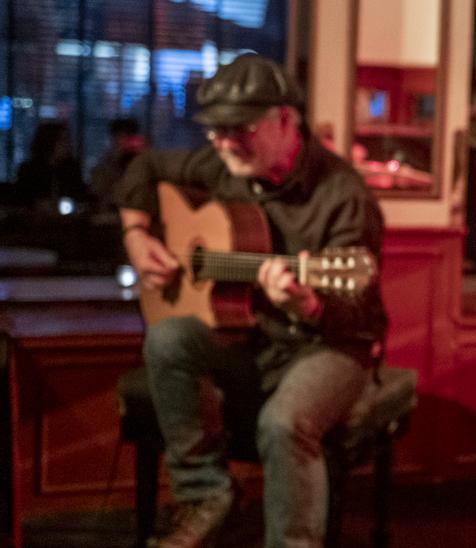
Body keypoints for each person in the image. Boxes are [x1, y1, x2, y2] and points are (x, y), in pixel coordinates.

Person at [114, 54, 386, 548]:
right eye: (214, 131)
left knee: (283, 422)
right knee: (169, 336)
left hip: (331, 345)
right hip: (251, 336)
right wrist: (135, 235)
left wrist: (307, 303)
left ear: (286, 119)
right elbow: (144, 165)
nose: (220, 142)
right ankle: (206, 493)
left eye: (237, 129)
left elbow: (360, 315)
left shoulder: (345, 194)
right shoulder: (225, 165)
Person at [13, 120, 85, 208]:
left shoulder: (72, 169)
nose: (68, 144)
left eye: (68, 140)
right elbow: (21, 200)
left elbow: (80, 197)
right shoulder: (29, 170)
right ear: (49, 142)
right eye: (63, 140)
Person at [90, 117, 146, 212]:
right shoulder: (105, 166)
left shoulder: (142, 164)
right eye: (119, 138)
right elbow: (97, 191)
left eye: (128, 138)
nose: (124, 143)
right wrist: (113, 161)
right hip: (110, 216)